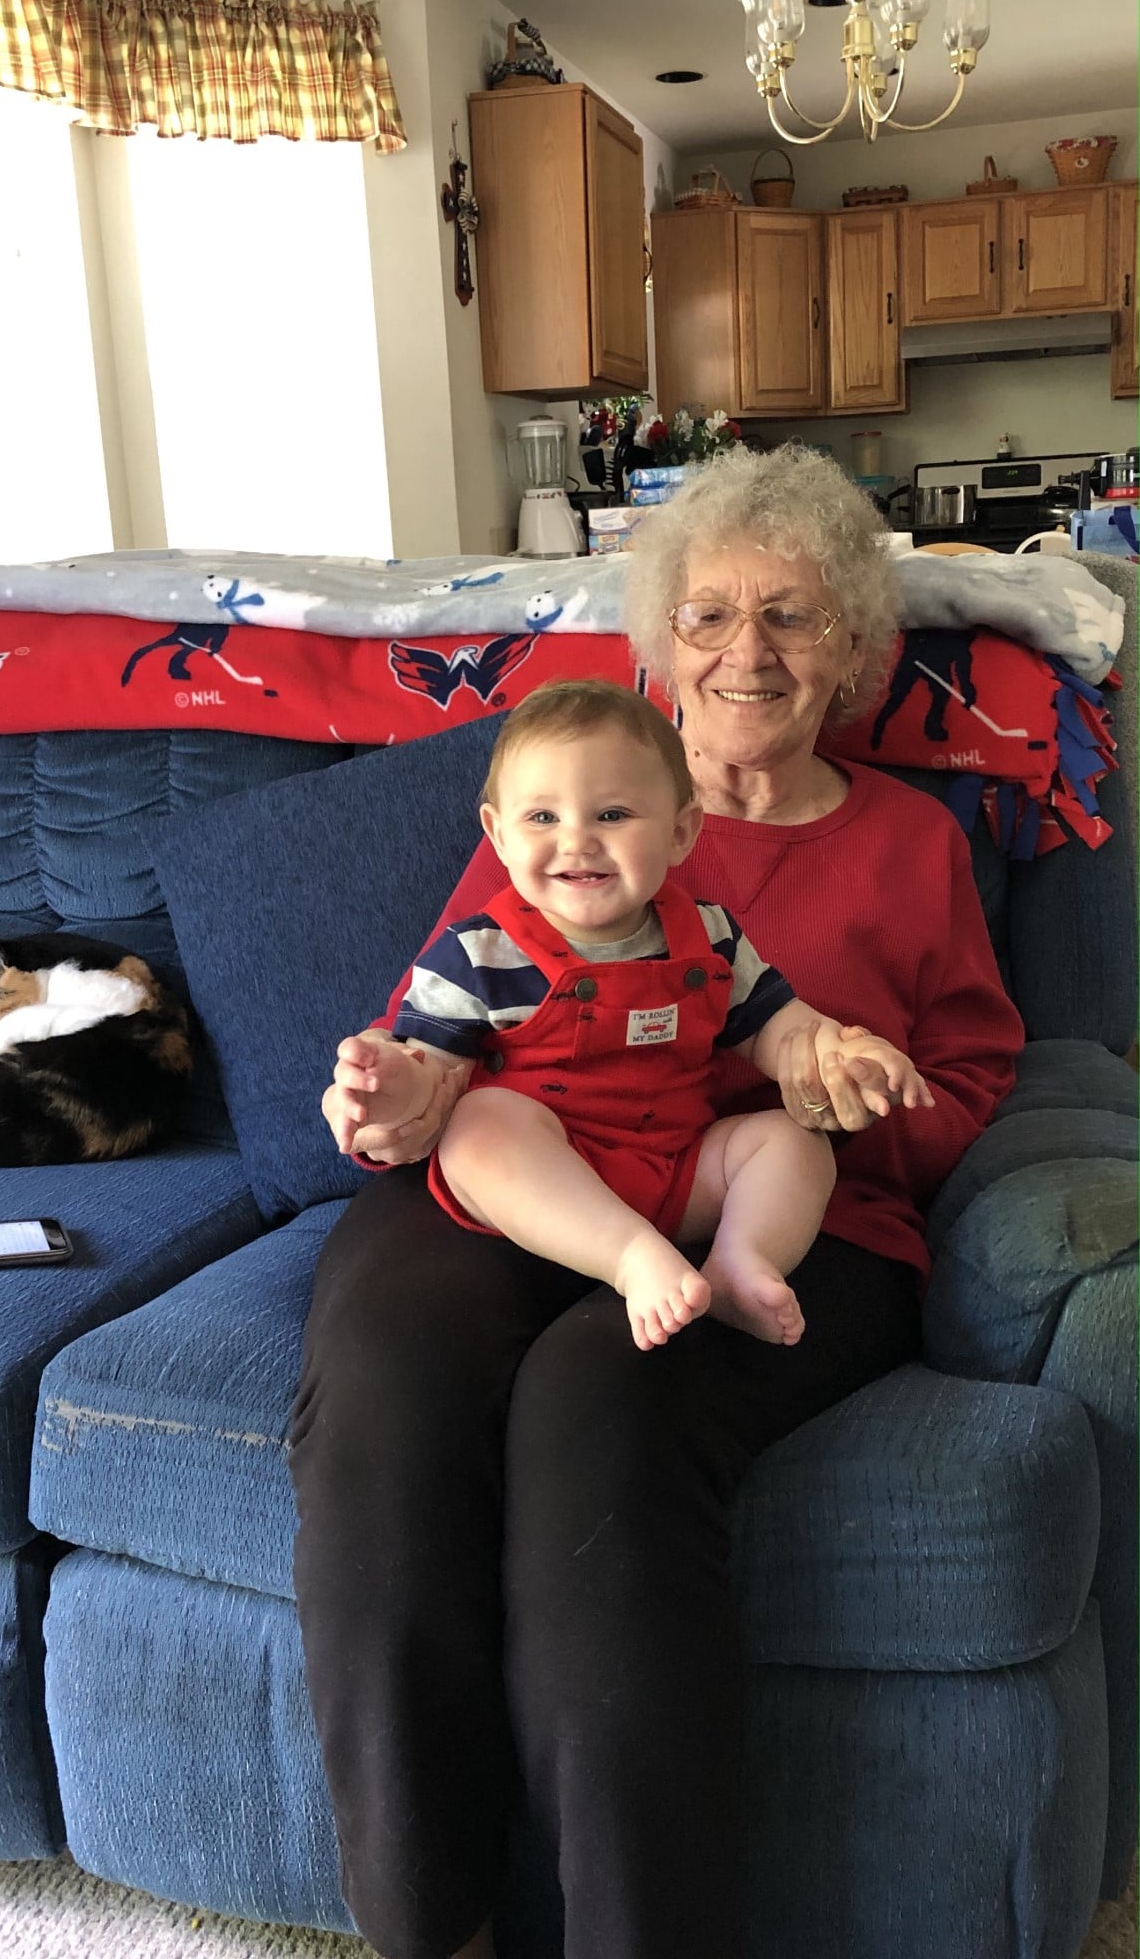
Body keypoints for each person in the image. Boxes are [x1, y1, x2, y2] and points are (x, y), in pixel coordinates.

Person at [289, 443, 1025, 1959]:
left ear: (851, 647)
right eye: (707, 614)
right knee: (384, 1370)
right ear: (658, 639)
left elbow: (969, 1082)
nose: (745, 652)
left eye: (790, 615)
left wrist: (854, 1095)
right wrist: (397, 1099)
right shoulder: (568, 804)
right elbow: (440, 1025)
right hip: (542, 1173)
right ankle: (430, 1924)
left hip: (779, 1204)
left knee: (600, 1393)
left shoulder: (909, 842)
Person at [335, 679, 932, 1353]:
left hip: (677, 1170)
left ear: (680, 832)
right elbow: (432, 1073)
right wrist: (391, 1083)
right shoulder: (478, 954)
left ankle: (741, 1261)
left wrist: (840, 1054)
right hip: (545, 1183)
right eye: (543, 818)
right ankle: (628, 1258)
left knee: (795, 1140)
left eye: (612, 814)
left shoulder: (710, 938)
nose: (577, 841)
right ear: (498, 836)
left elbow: (782, 1030)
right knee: (477, 1124)